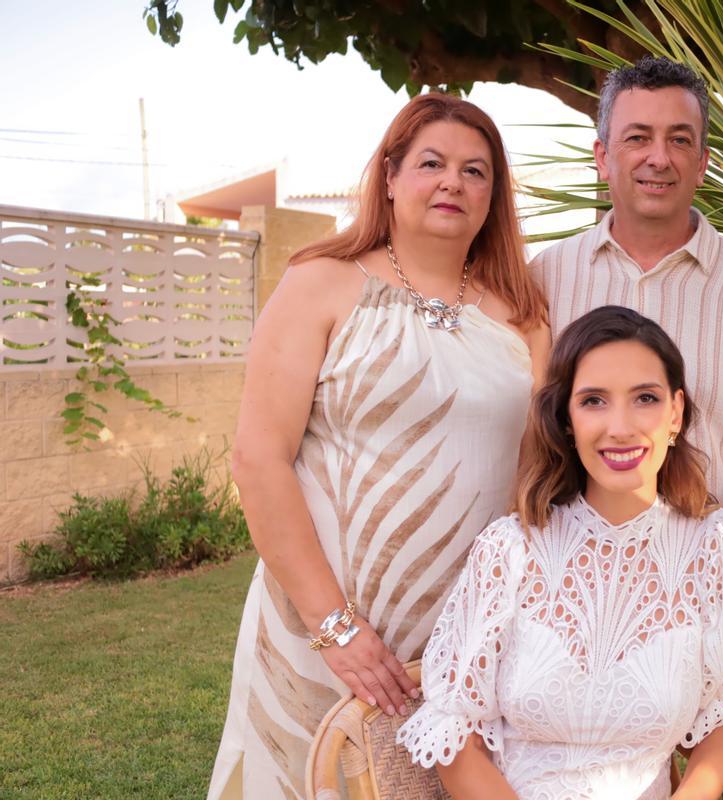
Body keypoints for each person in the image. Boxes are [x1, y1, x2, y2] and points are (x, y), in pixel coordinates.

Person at [206, 93, 551, 800]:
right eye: (432, 163)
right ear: (390, 177)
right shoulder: (319, 284)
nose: (453, 182)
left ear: (494, 196)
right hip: (318, 631)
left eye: (475, 170)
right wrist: (334, 629)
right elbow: (257, 460)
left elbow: (533, 482)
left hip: (465, 638)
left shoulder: (524, 319)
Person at [529, 57, 723, 797]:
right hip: (581, 610)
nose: (657, 157)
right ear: (603, 156)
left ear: (704, 158)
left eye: (678, 138)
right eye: (636, 137)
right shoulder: (543, 278)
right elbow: (535, 430)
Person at [398, 305, 723, 799]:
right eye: (593, 401)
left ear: (675, 412)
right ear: (565, 419)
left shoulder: (717, 549)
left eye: (644, 398)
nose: (620, 427)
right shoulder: (510, 549)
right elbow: (455, 732)